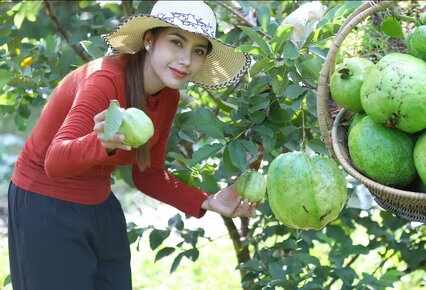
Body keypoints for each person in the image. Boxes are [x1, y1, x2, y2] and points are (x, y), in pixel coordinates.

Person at [7, 1, 257, 289]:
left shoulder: (167, 96)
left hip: (99, 204)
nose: (186, 59)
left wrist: (208, 200)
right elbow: (55, 161)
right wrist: (100, 141)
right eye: (177, 42)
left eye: (198, 50)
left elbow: (147, 173)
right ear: (149, 40)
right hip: (46, 206)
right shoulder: (104, 81)